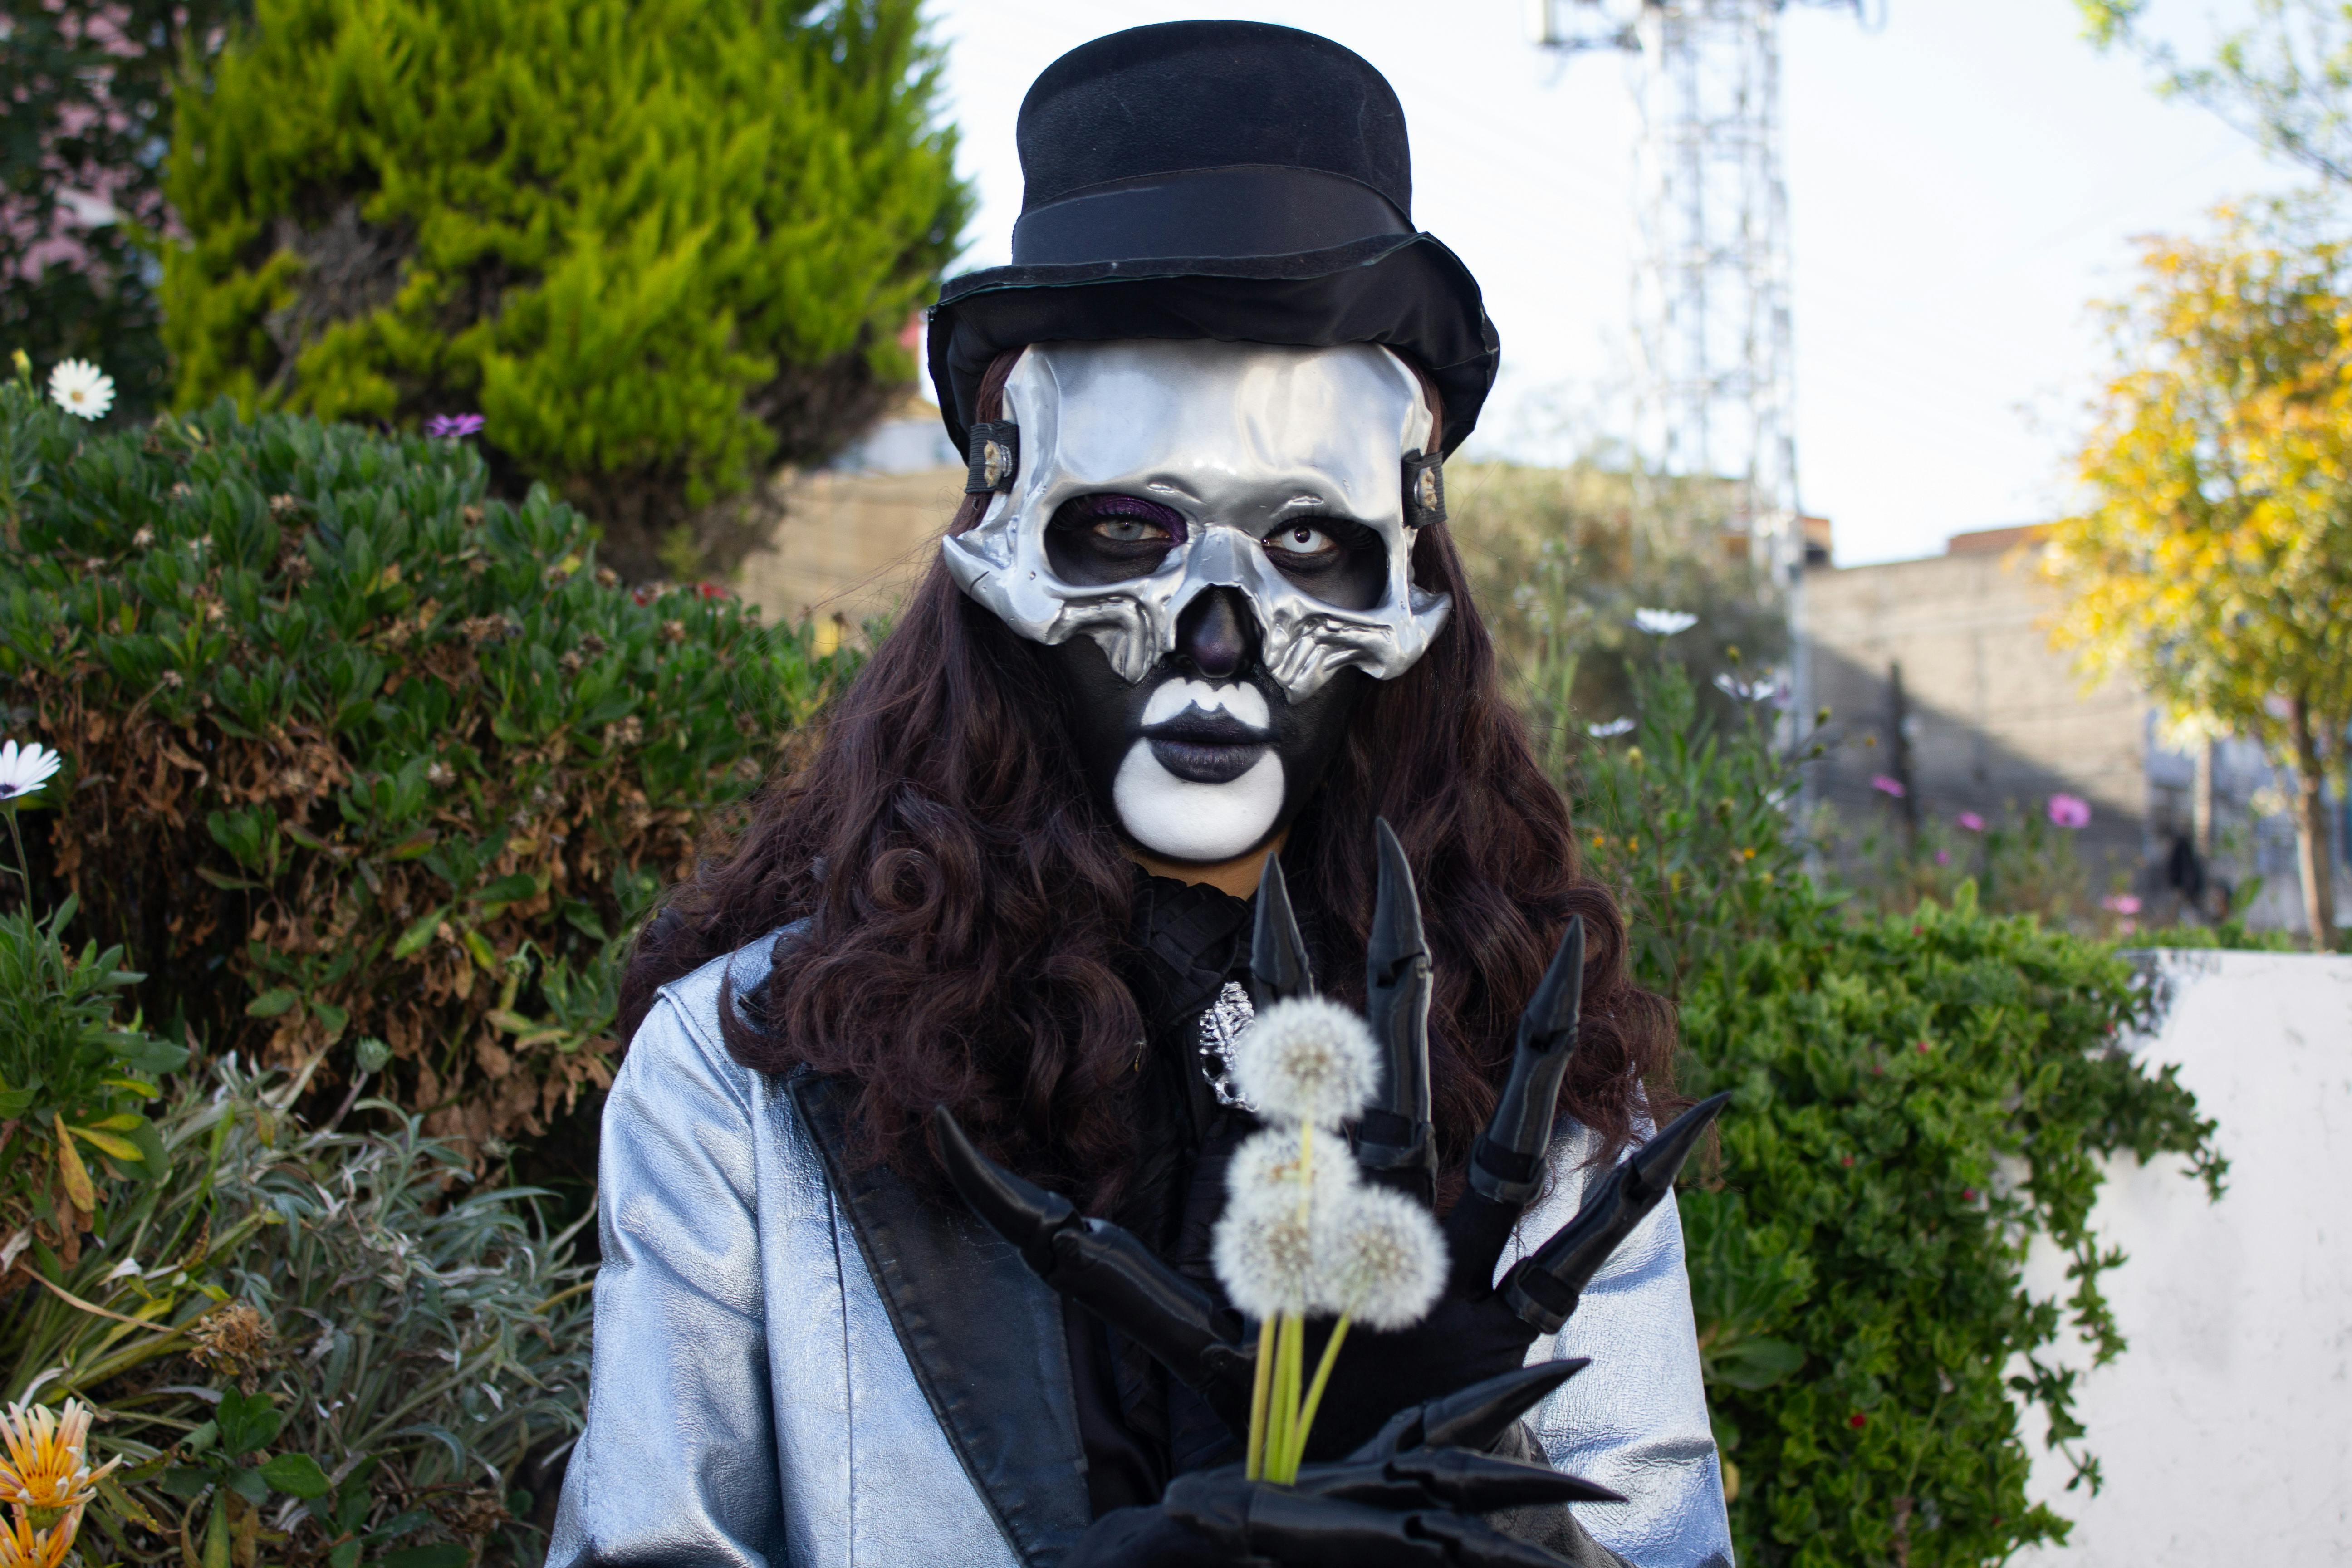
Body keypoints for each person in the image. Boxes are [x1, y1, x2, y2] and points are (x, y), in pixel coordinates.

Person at [549, 22, 1733, 1568]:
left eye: (1310, 544)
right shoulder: (748, 1073)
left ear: (1407, 589)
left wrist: (1491, 1534)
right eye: (1123, 529)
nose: (1220, 642)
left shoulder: (1515, 1068)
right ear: (998, 559)